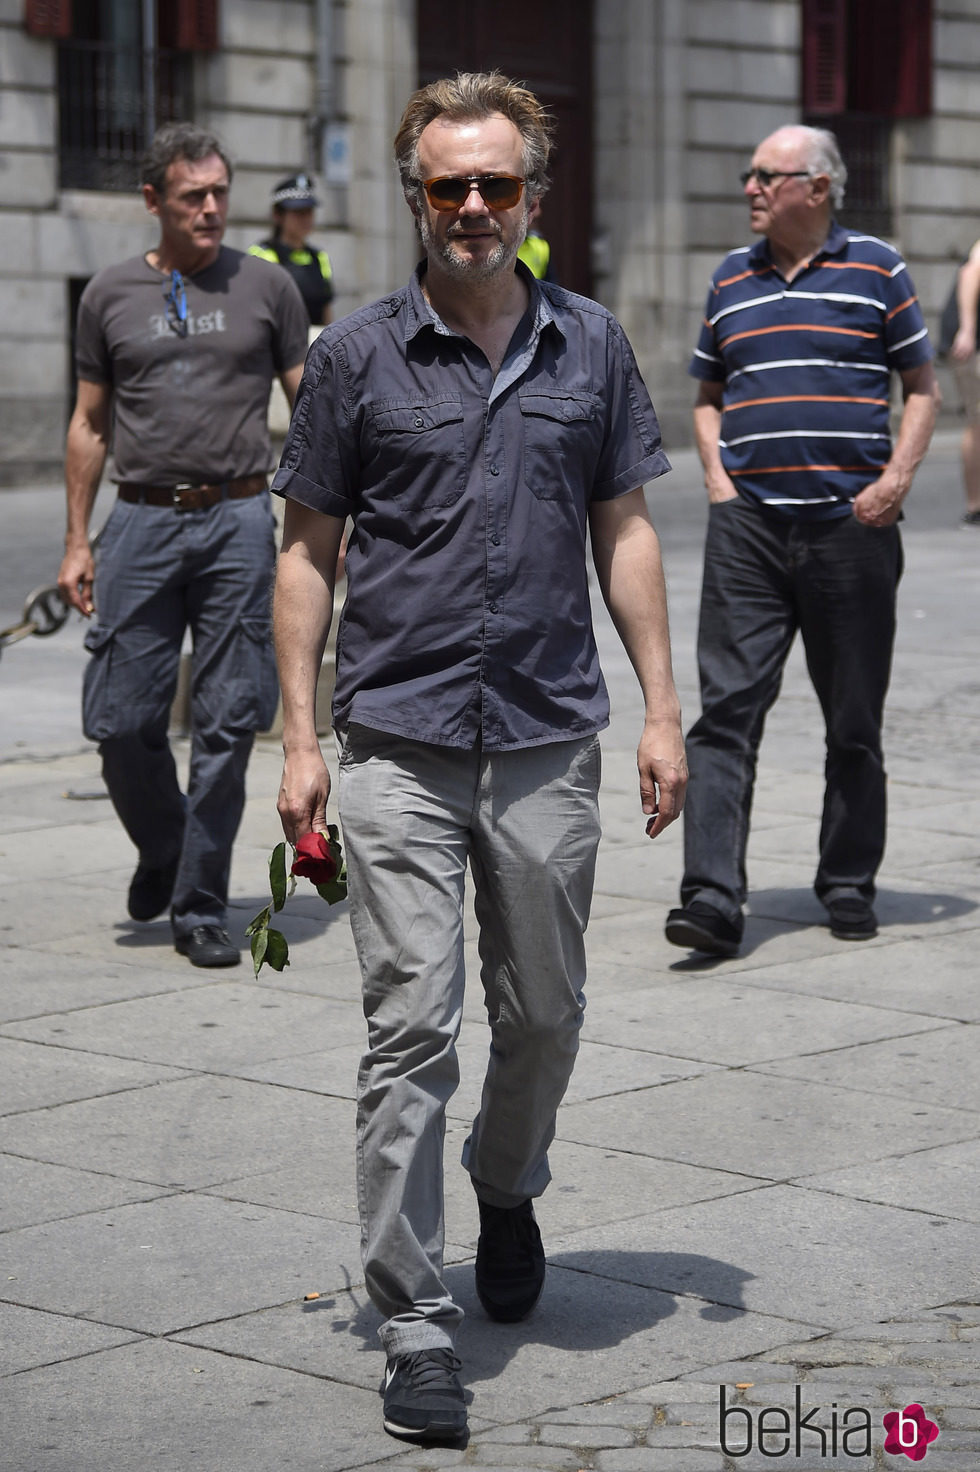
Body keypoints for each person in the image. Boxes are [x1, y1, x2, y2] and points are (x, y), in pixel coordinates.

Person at [272, 71, 686, 1445]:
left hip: (546, 734)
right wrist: (296, 738)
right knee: (409, 1031)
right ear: (415, 197)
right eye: (447, 185)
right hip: (394, 736)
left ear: (532, 198)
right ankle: (414, 1318)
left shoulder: (594, 347)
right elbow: (308, 552)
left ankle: (508, 1186)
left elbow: (625, 530)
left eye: (494, 184)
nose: (470, 206)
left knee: (549, 1014)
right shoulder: (354, 357)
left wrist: (663, 708)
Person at [665, 125, 939, 961]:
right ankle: (712, 897)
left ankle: (848, 881)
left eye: (764, 175)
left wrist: (894, 481)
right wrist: (716, 477)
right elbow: (706, 394)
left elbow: (922, 386)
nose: (749, 187)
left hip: (849, 530)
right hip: (747, 527)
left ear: (815, 188)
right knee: (726, 716)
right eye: (749, 173)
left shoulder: (878, 269)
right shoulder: (729, 277)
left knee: (852, 718)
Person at [57, 122, 309, 969]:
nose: (210, 208)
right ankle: (164, 846)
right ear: (153, 200)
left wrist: (322, 526)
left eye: (219, 193)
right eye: (193, 195)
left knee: (230, 719)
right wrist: (75, 542)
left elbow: (308, 411)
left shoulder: (269, 288)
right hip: (139, 520)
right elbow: (90, 423)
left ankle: (199, 902)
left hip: (239, 519)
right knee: (121, 720)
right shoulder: (108, 295)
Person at [248, 173, 335, 326]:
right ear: (277, 216)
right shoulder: (260, 254)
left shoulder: (319, 257)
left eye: (309, 211)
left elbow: (326, 308)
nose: (306, 219)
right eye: (298, 213)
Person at [948, 238, 980, 526]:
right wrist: (968, 330)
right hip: (974, 347)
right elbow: (971, 272)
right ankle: (975, 505)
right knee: (978, 422)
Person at [517, 198, 554, 280]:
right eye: (531, 206)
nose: (538, 213)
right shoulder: (496, 247)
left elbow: (550, 286)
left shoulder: (541, 246)